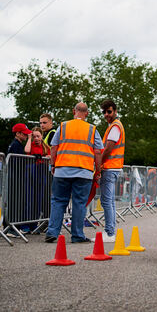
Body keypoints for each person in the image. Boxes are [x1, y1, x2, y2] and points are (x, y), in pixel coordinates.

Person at [46, 102, 103, 244]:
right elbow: (97, 152)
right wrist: (98, 170)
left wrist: (53, 164)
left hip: (62, 170)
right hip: (83, 172)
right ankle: (77, 235)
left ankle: (52, 232)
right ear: (87, 114)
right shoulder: (92, 129)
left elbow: (54, 147)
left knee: (58, 201)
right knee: (79, 203)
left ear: (74, 111)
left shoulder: (63, 126)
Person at [98, 99, 124, 243]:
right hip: (113, 167)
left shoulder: (115, 126)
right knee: (110, 202)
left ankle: (109, 232)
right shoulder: (114, 125)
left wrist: (99, 163)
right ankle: (110, 231)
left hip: (110, 167)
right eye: (104, 112)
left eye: (109, 111)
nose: (106, 114)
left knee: (107, 201)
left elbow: (108, 148)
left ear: (115, 111)